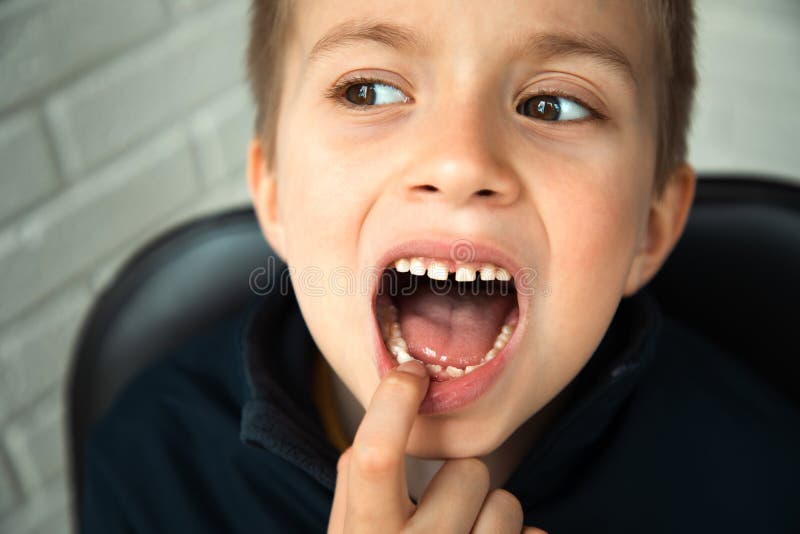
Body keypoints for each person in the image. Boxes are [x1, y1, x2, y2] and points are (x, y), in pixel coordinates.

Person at [81, 1, 800, 532]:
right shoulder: (153, 466)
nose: (460, 162)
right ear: (274, 195)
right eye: (369, 90)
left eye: (553, 104)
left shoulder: (766, 481)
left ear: (650, 227)